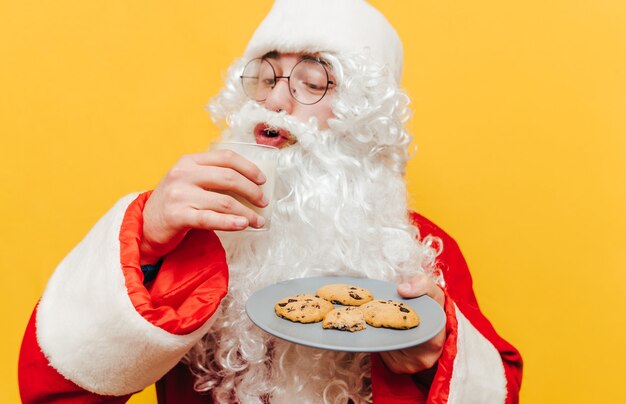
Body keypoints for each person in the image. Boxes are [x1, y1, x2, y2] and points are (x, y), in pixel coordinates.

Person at [18, 0, 522, 402]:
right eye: (265, 76)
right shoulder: (184, 232)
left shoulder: (422, 251)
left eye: (313, 81)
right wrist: (145, 243)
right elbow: (57, 389)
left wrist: (435, 355)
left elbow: (498, 387)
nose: (276, 101)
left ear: (365, 117)